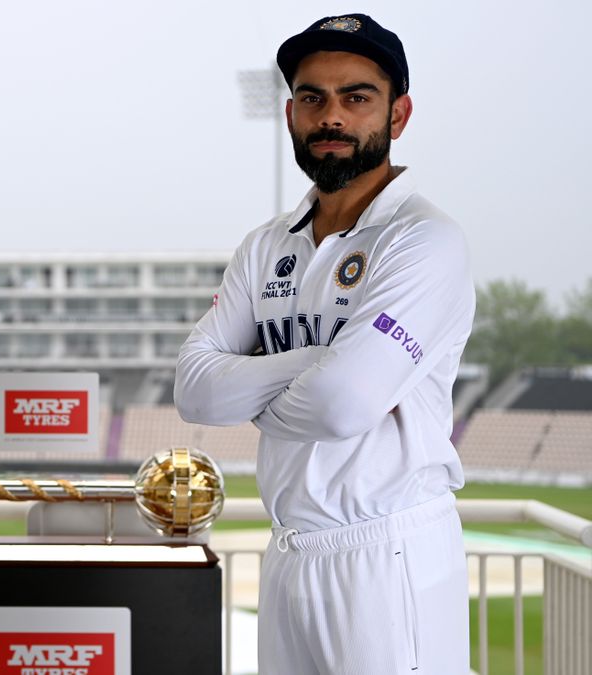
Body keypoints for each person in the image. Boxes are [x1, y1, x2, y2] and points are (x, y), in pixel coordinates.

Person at [175, 14, 473, 673]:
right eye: (312, 98)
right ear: (289, 114)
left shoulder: (424, 240)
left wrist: (252, 386)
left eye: (356, 97)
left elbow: (343, 404)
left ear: (398, 114)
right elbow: (194, 388)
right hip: (291, 552)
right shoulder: (266, 244)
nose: (331, 116)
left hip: (387, 552)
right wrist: (314, 361)